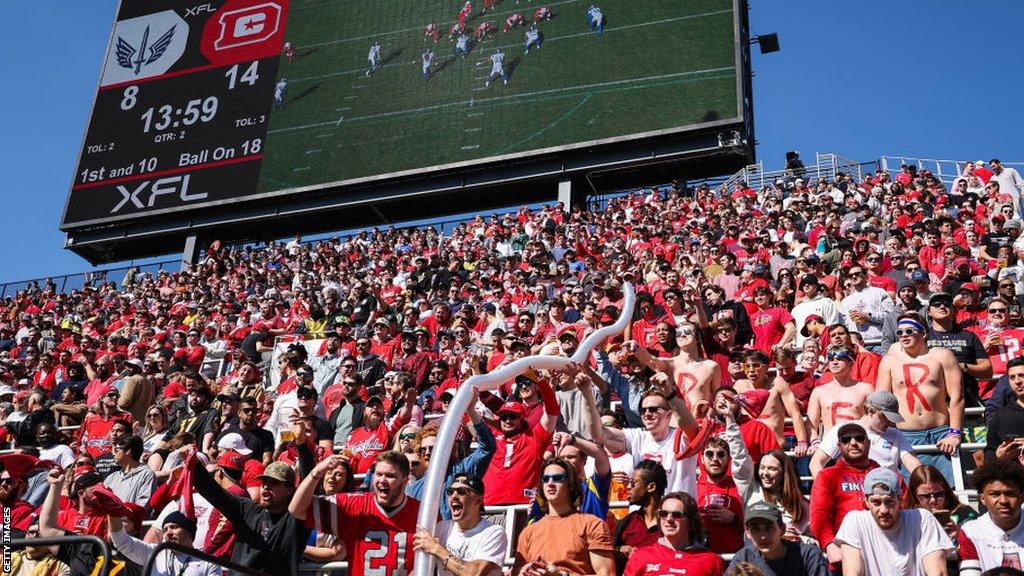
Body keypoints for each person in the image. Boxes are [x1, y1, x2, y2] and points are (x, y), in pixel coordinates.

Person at [293, 451, 418, 576]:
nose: (382, 480)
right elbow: (297, 510)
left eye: (390, 476)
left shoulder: (423, 514)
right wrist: (316, 473)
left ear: (405, 480)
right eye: (378, 474)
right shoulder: (354, 504)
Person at [877, 312, 963, 485]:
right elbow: (882, 401)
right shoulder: (889, 361)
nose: (904, 336)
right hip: (905, 435)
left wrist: (955, 433)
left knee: (948, 490)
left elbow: (957, 397)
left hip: (941, 434)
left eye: (909, 331)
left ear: (923, 333)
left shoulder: (942, 355)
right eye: (899, 332)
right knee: (913, 493)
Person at [190, 454, 309, 576]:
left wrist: (302, 446)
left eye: (273, 483)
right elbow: (214, 493)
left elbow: (308, 487)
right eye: (263, 482)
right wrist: (194, 463)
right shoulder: (248, 510)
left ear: (289, 489)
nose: (266, 487)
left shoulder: (295, 520)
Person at [596, 372, 700, 496]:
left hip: (675, 513)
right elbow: (599, 434)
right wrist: (586, 393)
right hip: (643, 512)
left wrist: (668, 392)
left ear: (669, 414)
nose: (647, 414)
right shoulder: (638, 437)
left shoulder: (681, 438)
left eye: (653, 409)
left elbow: (693, 429)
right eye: (643, 410)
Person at [835, 467, 953, 576]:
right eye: (876, 502)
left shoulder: (922, 519)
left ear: (900, 499)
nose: (884, 510)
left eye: (889, 502)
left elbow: (937, 572)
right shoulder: (854, 522)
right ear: (866, 501)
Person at [513, 457, 615, 576]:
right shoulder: (528, 532)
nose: (550, 483)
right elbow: (516, 572)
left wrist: (561, 575)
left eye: (557, 478)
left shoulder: (592, 524)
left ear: (570, 484)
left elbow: (607, 574)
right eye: (545, 479)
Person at [808, 422, 881, 568]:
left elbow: (903, 507)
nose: (853, 443)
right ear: (839, 445)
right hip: (844, 556)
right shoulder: (827, 476)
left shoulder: (884, 474)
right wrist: (829, 545)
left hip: (882, 553)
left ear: (869, 442)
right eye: (846, 439)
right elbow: (819, 515)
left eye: (859, 438)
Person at [809, 390, 922, 477]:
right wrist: (825, 488)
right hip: (851, 492)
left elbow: (914, 465)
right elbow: (816, 462)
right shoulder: (842, 430)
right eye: (885, 417)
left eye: (892, 418)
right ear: (871, 412)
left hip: (886, 494)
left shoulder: (896, 435)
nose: (890, 422)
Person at [412, 473, 507, 576]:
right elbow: (419, 570)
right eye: (450, 491)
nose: (454, 496)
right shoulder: (442, 528)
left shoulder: (493, 532)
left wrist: (437, 549)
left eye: (462, 492)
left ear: (478, 500)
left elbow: (474, 574)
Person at [623, 491, 725, 576]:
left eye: (676, 515)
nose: (669, 519)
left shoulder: (711, 561)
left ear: (691, 521)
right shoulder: (641, 556)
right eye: (663, 513)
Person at [628, 322, 722, 409]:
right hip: (674, 424)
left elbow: (716, 399)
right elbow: (650, 360)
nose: (683, 335)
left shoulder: (711, 366)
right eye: (678, 334)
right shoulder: (670, 364)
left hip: (701, 423)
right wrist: (635, 347)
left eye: (688, 332)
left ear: (697, 338)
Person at [958, 460, 1024, 575]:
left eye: (1010, 494)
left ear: (1022, 497)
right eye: (995, 494)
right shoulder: (971, 532)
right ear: (982, 499)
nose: (1003, 501)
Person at [729, 501, 828, 576]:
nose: (763, 536)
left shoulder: (808, 556)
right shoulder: (743, 558)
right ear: (747, 533)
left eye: (769, 528)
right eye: (756, 529)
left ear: (782, 529)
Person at [108, 510, 221, 576]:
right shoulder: (155, 553)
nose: (168, 533)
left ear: (189, 532)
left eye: (174, 527)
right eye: (165, 529)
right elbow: (122, 542)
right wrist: (112, 512)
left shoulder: (208, 562)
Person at [806, 346, 874, 445]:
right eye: (831, 360)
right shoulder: (819, 391)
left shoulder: (866, 389)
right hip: (829, 448)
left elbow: (875, 419)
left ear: (851, 363)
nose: (835, 362)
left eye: (840, 359)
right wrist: (815, 443)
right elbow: (811, 424)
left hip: (857, 445)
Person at [613, 460, 667, 570]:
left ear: (651, 487)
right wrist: (619, 549)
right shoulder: (628, 521)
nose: (628, 487)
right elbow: (610, 549)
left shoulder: (670, 522)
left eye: (633, 483)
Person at [744, 450, 810, 539]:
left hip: (793, 550)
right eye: (762, 467)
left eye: (772, 469)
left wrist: (798, 538)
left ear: (784, 472)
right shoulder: (754, 491)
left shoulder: (801, 503)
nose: (765, 473)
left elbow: (812, 531)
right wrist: (780, 535)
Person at [984, 357, 1024, 462]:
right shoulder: (1000, 416)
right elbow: (989, 453)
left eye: (1021, 375)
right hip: (1013, 476)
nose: (1017, 381)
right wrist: (998, 457)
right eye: (1012, 377)